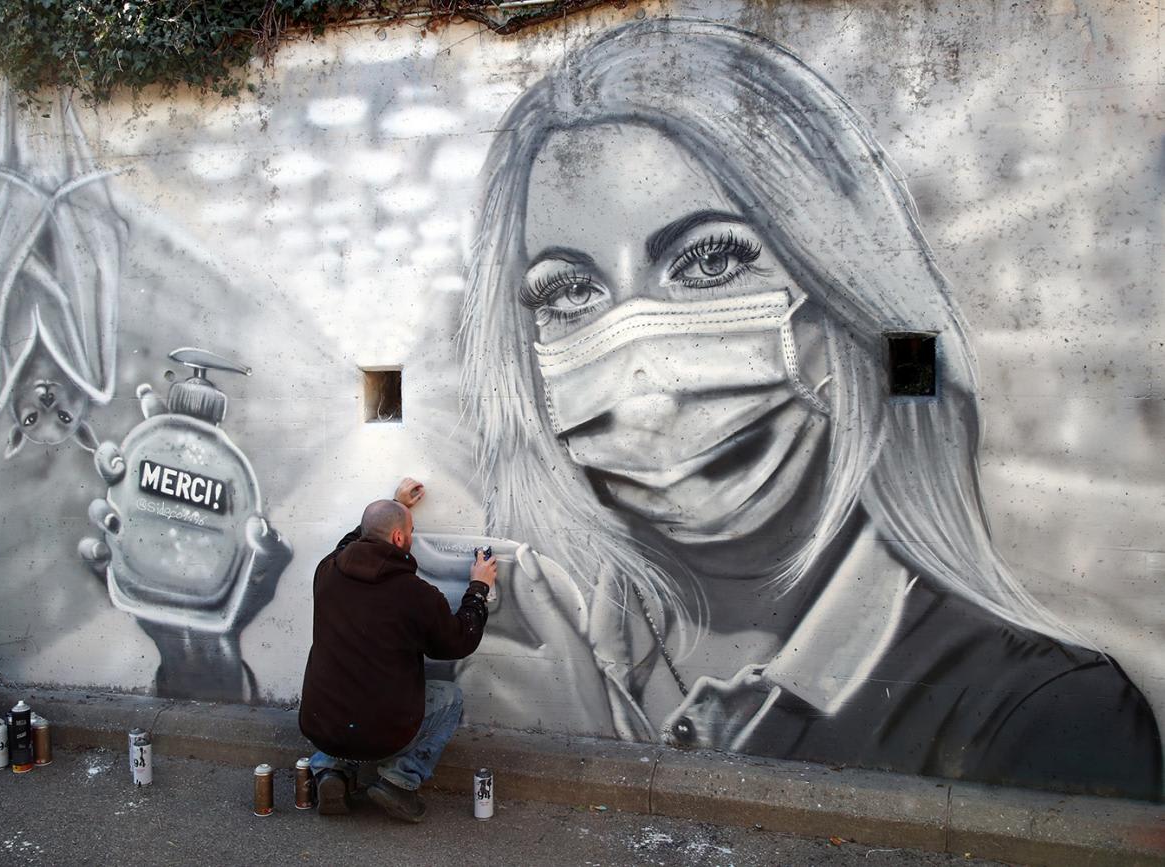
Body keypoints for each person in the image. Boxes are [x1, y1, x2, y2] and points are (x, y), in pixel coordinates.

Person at [455, 19, 1162, 800]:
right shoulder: (544, 642)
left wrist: (578, 765)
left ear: (844, 303)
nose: (643, 370)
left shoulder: (1045, 714)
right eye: (569, 290)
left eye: (711, 259)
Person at [300, 477, 498, 822]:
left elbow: (353, 540)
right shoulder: (415, 595)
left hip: (323, 725)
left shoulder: (327, 570)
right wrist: (479, 588)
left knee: (341, 697)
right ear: (398, 539)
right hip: (384, 734)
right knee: (450, 698)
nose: (411, 537)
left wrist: (396, 503)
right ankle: (398, 781)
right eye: (410, 531)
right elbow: (459, 641)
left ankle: (330, 771)